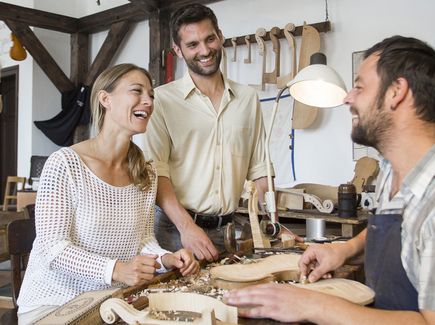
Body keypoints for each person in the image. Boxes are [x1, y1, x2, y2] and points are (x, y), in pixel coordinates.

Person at [224, 35, 435, 324]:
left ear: (396, 91)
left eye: (359, 86)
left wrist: (315, 306)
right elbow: (397, 232)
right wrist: (343, 250)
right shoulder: (392, 170)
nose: (348, 97)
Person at [17, 64, 199, 324]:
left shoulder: (145, 173)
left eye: (151, 95)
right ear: (105, 99)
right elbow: (53, 248)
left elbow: (143, 241)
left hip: (111, 302)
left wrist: (166, 259)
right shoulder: (65, 164)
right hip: (53, 305)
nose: (147, 101)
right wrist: (116, 269)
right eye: (137, 91)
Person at [142, 3, 300, 262]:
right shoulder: (161, 101)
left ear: (220, 36)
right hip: (175, 230)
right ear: (178, 51)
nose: (204, 51)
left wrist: (273, 223)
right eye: (193, 45)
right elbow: (156, 173)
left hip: (230, 229)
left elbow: (260, 169)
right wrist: (187, 227)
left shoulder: (248, 98)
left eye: (210, 39)